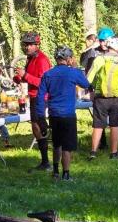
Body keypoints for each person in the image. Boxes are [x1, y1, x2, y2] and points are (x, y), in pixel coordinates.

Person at [36, 46, 89, 181]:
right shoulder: (73, 72)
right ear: (69, 59)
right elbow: (85, 84)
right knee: (67, 146)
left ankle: (55, 171)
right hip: (68, 114)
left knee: (57, 143)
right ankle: (66, 174)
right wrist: (76, 68)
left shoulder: (48, 74)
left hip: (54, 114)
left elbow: (40, 96)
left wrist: (40, 116)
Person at [87, 37, 118, 160]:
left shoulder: (99, 59)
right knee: (114, 125)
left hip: (100, 97)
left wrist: (91, 91)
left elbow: (89, 78)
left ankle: (93, 153)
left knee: (98, 126)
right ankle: (114, 153)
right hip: (117, 98)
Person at [13, 32, 52, 172]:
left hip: (41, 97)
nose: (27, 47)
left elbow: (44, 82)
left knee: (38, 126)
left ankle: (46, 162)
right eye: (26, 45)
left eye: (30, 45)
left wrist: (25, 75)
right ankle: (45, 161)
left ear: (37, 45)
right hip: (33, 96)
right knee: (36, 126)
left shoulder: (42, 60)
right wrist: (19, 78)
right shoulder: (31, 58)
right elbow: (29, 77)